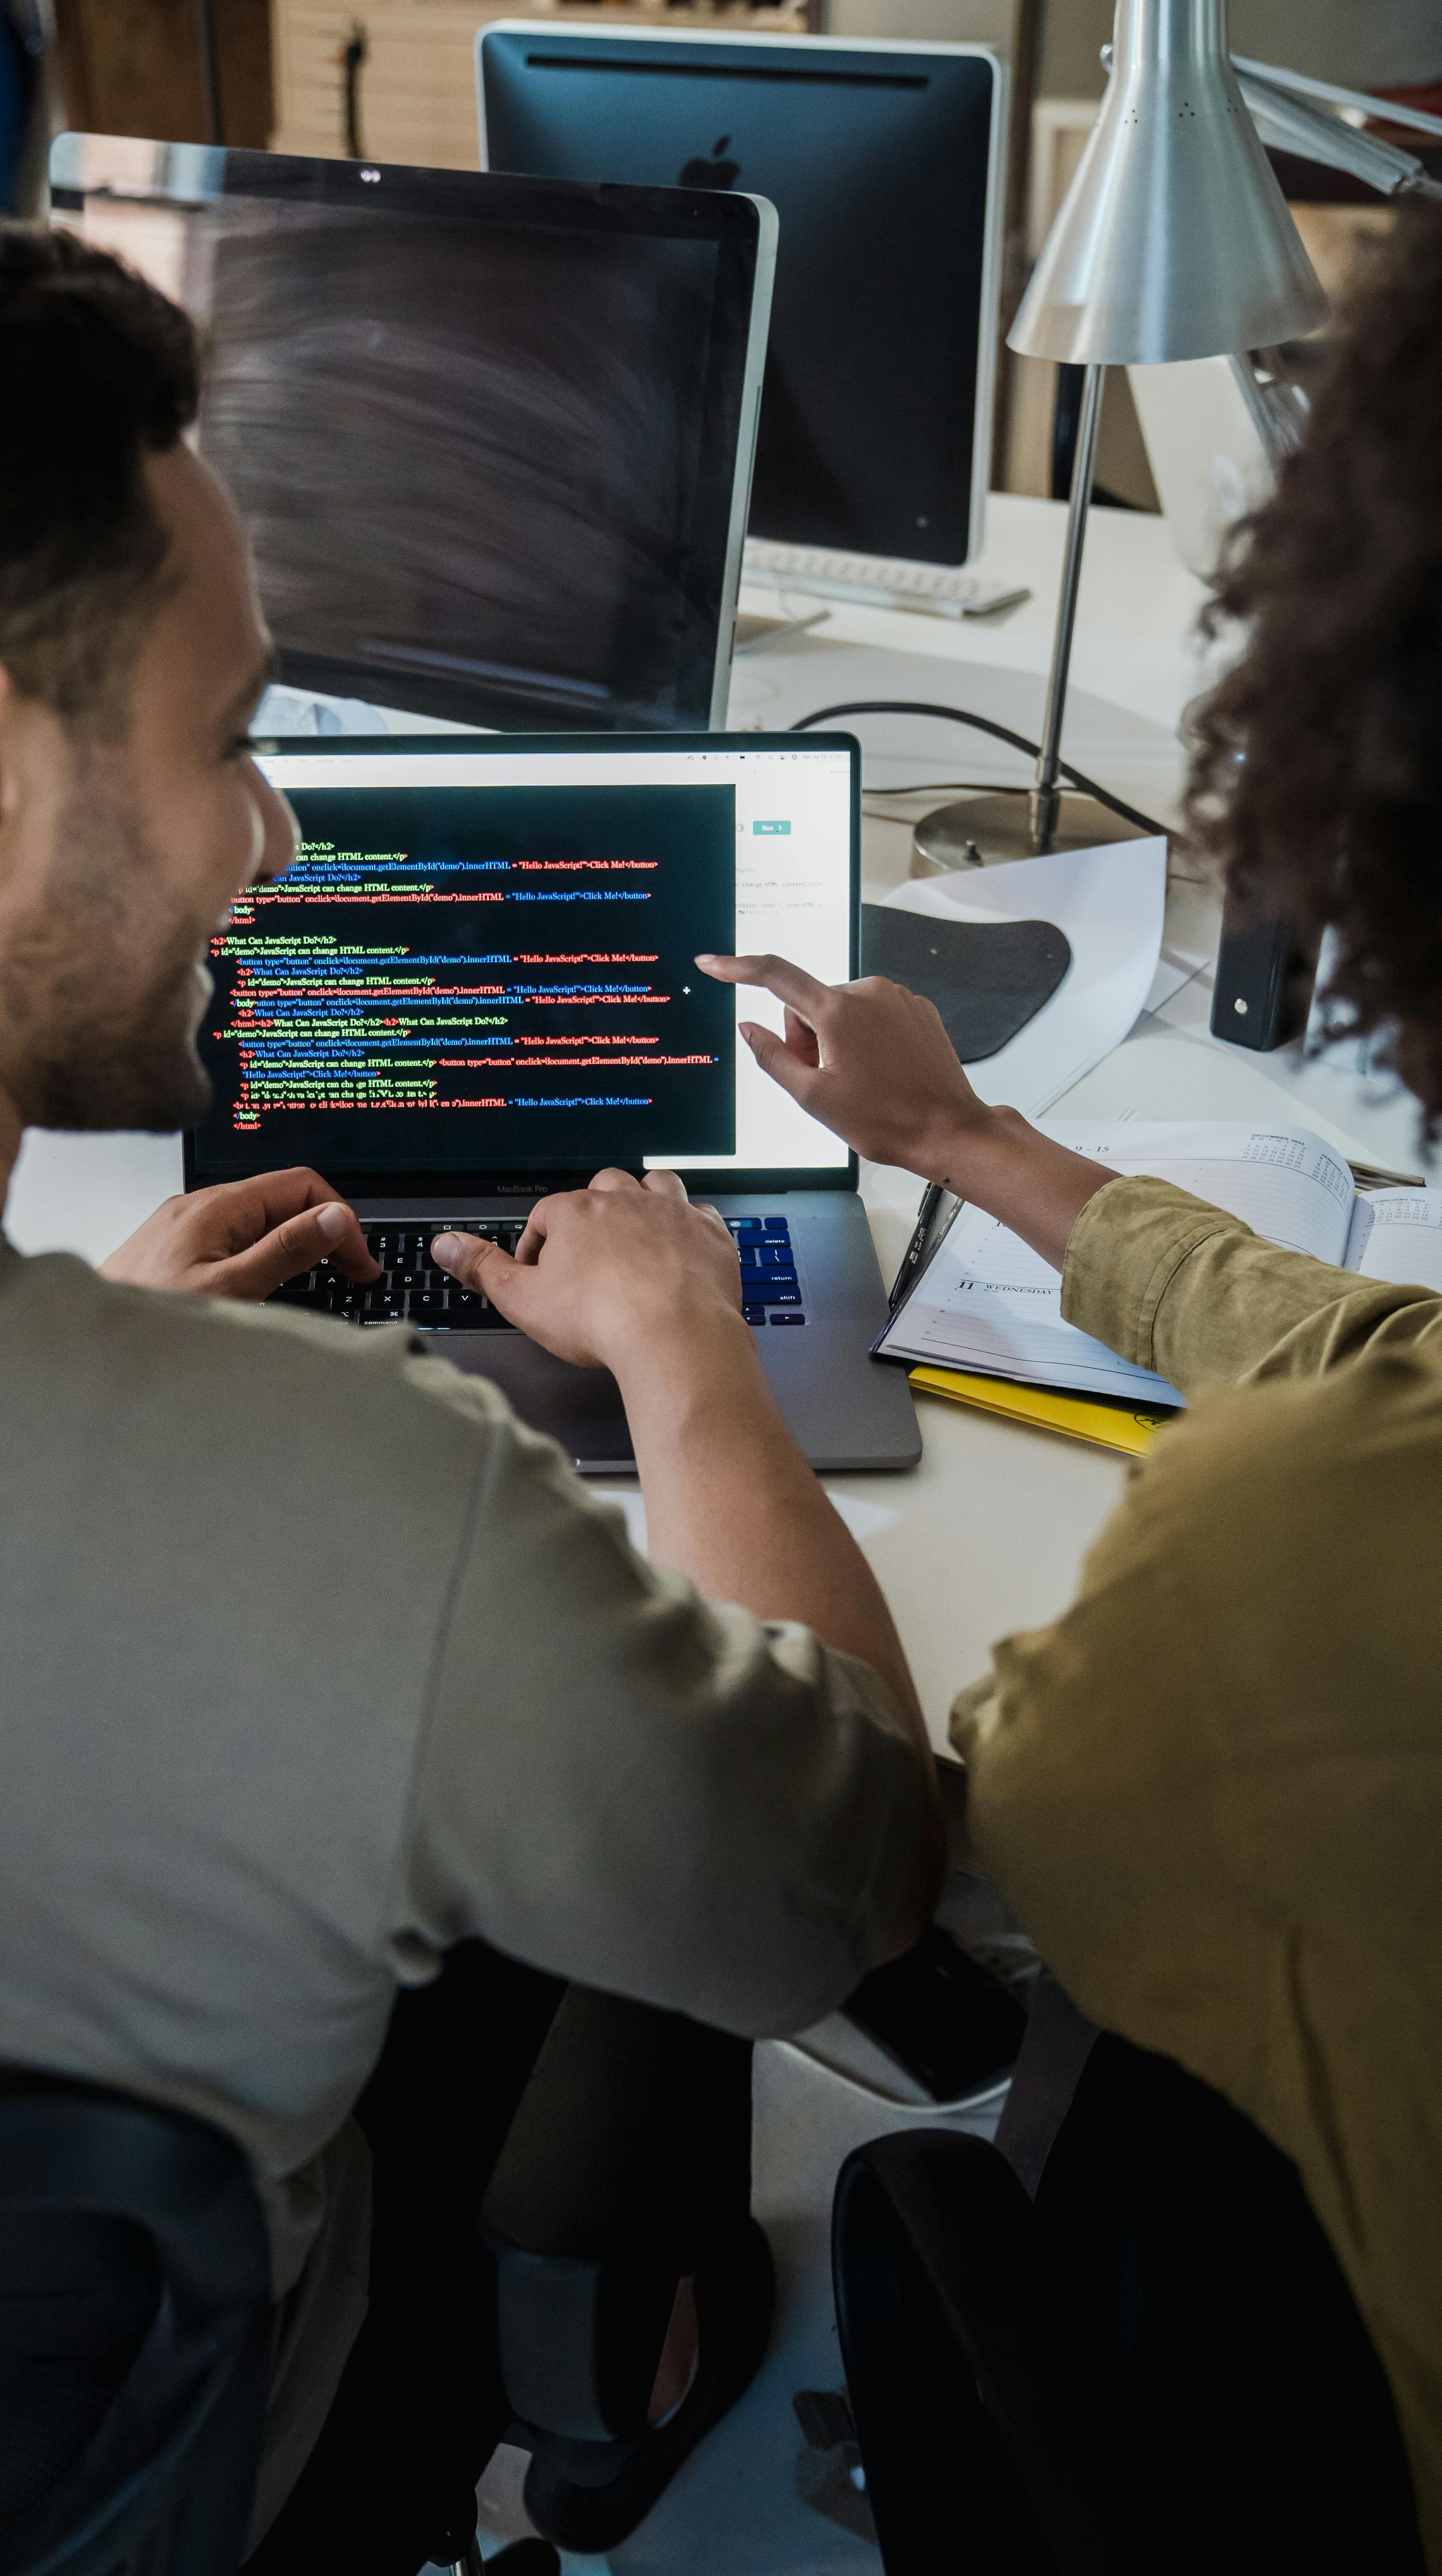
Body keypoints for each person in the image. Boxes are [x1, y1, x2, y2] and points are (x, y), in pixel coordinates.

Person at [0, 176, 941, 2568]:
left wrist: (60, 1383)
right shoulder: (362, 1503)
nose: (272, 838)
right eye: (229, 737)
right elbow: (860, 1882)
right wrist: (690, 1362)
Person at [672, 201, 1442, 2572]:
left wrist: (691, 1359)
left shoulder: (1297, 1555)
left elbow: (890, 1859)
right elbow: (1383, 1350)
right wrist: (970, 1146)